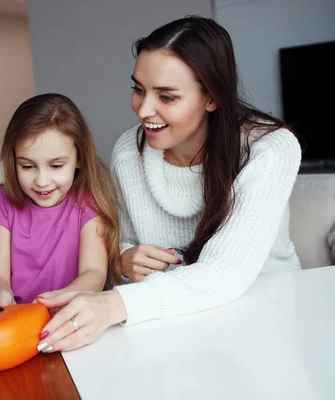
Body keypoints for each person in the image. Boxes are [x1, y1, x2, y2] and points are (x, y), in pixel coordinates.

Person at [35, 15, 302, 354]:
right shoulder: (128, 151)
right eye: (138, 89)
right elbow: (122, 242)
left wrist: (115, 304)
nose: (144, 110)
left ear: (211, 98)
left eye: (167, 97)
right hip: (174, 322)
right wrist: (122, 258)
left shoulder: (270, 149)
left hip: (270, 309)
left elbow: (226, 271)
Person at [0, 93, 120, 308]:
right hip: (18, 320)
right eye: (27, 166)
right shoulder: (1, 204)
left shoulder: (88, 204)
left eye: (56, 166)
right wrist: (0, 292)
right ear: (13, 160)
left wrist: (57, 299)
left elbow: (94, 274)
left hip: (71, 316)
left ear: (79, 158)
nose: (42, 181)